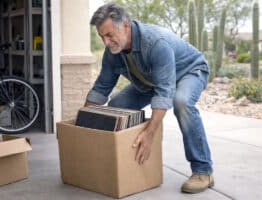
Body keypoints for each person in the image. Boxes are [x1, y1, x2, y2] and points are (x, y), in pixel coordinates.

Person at [85, 2, 214, 194]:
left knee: (181, 103)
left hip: (189, 71)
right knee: (118, 105)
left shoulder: (155, 43)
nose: (105, 42)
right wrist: (83, 124)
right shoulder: (112, 51)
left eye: (109, 34)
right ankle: (125, 161)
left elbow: (164, 93)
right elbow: (102, 87)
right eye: (101, 36)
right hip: (152, 80)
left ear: (126, 26)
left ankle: (203, 170)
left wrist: (149, 134)